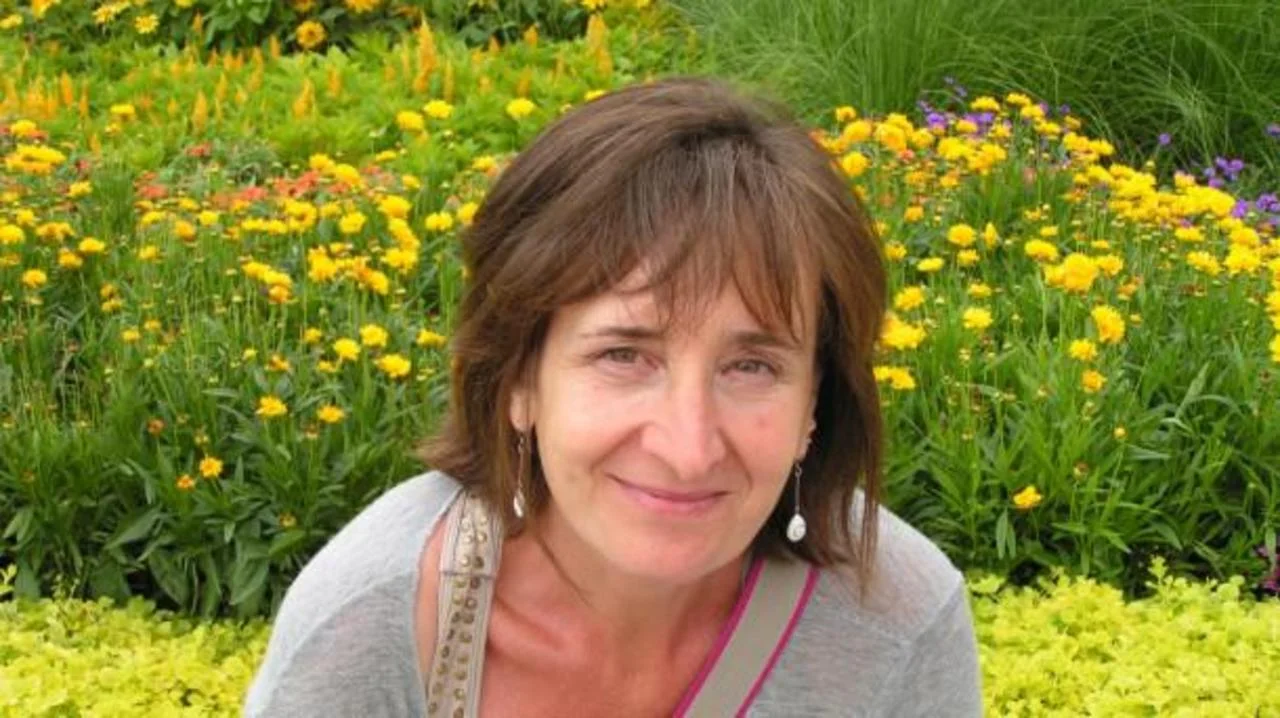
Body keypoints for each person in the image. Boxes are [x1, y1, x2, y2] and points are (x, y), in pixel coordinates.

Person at [244, 76, 983, 717]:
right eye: (624, 356)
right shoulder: (375, 624)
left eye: (751, 366)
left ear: (814, 403)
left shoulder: (898, 623)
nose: (688, 448)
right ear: (520, 379)